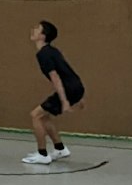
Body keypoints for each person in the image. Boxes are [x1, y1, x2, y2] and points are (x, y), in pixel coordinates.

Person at [22, 20, 85, 165]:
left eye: (37, 29)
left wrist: (65, 101)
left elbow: (56, 78)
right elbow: (67, 73)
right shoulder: (51, 51)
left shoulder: (44, 54)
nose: (33, 30)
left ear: (43, 36)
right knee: (44, 117)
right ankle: (60, 149)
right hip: (75, 87)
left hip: (70, 89)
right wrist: (78, 96)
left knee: (36, 115)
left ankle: (42, 154)